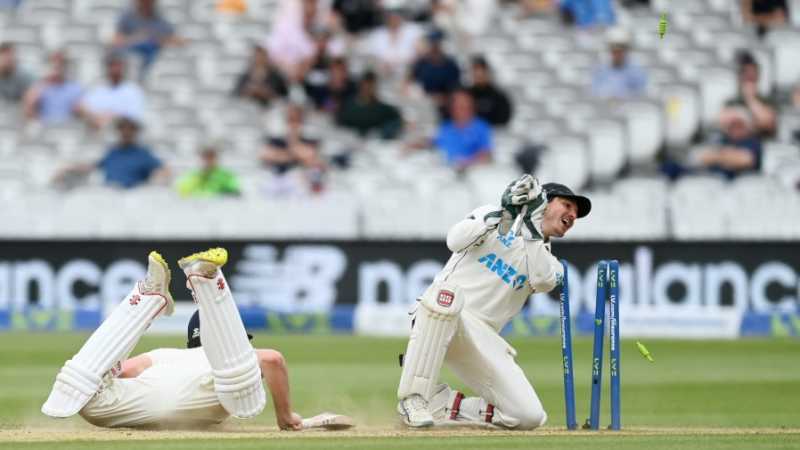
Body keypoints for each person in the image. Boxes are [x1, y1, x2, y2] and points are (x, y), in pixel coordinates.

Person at [41, 248, 353, 431]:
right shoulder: (233, 364)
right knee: (242, 387)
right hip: (203, 401)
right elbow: (272, 360)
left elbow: (123, 371)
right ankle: (208, 281)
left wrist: (107, 367)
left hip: (115, 406)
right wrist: (287, 418)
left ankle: (148, 298)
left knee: (78, 382)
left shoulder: (164, 355)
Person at [396, 176, 591, 430]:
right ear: (544, 201)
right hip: (442, 313)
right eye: (567, 205)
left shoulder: (550, 263)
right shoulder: (492, 215)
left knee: (528, 417)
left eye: (576, 212)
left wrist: (531, 228)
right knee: (447, 297)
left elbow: (542, 280)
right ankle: (413, 399)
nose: (573, 215)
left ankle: (443, 405)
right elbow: (454, 240)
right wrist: (502, 213)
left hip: (483, 338)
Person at [54, 117, 169, 189]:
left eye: (130, 129)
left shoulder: (143, 154)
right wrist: (68, 169)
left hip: (132, 198)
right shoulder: (112, 153)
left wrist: (158, 178)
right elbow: (93, 166)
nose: (126, 133)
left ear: (135, 132)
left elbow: (162, 169)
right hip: (110, 195)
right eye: (122, 129)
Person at [261, 104, 327, 194]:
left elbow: (310, 157)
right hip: (277, 178)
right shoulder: (276, 139)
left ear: (302, 121)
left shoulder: (309, 139)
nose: (293, 124)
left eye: (296, 120)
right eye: (290, 119)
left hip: (300, 181)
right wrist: (295, 154)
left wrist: (292, 143)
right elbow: (266, 156)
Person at [111, 0, 183, 76]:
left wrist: (156, 39)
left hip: (153, 61)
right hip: (131, 58)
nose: (146, 3)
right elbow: (116, 41)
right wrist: (137, 39)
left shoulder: (160, 20)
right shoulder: (127, 18)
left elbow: (177, 41)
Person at [425, 89, 493, 169]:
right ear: (452, 108)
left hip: (471, 171)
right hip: (443, 170)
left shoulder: (481, 127)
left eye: (466, 106)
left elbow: (487, 155)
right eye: (459, 106)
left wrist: (467, 162)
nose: (463, 110)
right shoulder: (446, 126)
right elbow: (434, 143)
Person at [77, 53, 146, 130]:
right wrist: (94, 117)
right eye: (112, 65)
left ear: (124, 68)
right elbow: (81, 107)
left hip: (120, 132)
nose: (115, 69)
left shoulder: (133, 90)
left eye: (118, 65)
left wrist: (108, 118)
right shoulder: (97, 88)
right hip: (95, 129)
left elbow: (133, 116)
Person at [695, 106, 762, 179]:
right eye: (731, 125)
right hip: (716, 182)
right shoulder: (724, 139)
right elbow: (703, 157)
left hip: (745, 184)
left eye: (738, 124)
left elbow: (746, 160)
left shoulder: (752, 141)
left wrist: (720, 156)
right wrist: (727, 156)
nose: (734, 128)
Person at [723, 51, 776, 138]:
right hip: (732, 145)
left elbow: (767, 122)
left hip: (757, 143)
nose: (749, 81)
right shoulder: (732, 101)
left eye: (752, 77)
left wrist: (750, 99)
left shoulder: (767, 100)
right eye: (747, 77)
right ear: (740, 78)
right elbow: (724, 122)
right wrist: (754, 122)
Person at [336, 71, 403, 139]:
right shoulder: (349, 105)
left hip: (374, 143)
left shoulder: (380, 108)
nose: (367, 89)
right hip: (348, 139)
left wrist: (382, 133)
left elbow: (396, 118)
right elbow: (339, 122)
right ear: (360, 86)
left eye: (371, 86)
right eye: (365, 86)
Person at [22, 50, 83, 124]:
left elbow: (80, 111)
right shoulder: (39, 86)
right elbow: (27, 111)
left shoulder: (74, 88)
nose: (57, 67)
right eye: (54, 63)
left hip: (67, 129)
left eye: (60, 63)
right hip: (45, 129)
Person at [366, 6, 424, 79]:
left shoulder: (412, 30)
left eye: (396, 14)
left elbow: (421, 51)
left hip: (409, 74)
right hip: (384, 74)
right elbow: (372, 57)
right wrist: (381, 65)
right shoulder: (377, 34)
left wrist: (408, 66)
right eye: (390, 14)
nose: (393, 18)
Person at [409, 29, 461, 109]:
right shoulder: (420, 64)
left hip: (447, 103)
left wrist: (444, 98)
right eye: (432, 42)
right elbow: (411, 83)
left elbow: (455, 86)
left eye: (437, 42)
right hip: (425, 102)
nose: (435, 45)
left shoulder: (451, 64)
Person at [590, 27, 646, 99]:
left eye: (621, 50)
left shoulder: (636, 72)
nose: (617, 54)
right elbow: (595, 93)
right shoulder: (600, 70)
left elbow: (640, 95)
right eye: (614, 50)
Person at [466, 56, 512, 127]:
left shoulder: (498, 96)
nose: (479, 73)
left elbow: (503, 119)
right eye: (475, 70)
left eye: (482, 70)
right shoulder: (466, 96)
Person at [176, 147, 241, 197]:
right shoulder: (195, 175)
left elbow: (235, 189)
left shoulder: (225, 175)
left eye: (211, 158)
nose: (209, 162)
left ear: (216, 160)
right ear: (202, 159)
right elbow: (182, 189)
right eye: (206, 159)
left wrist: (224, 191)